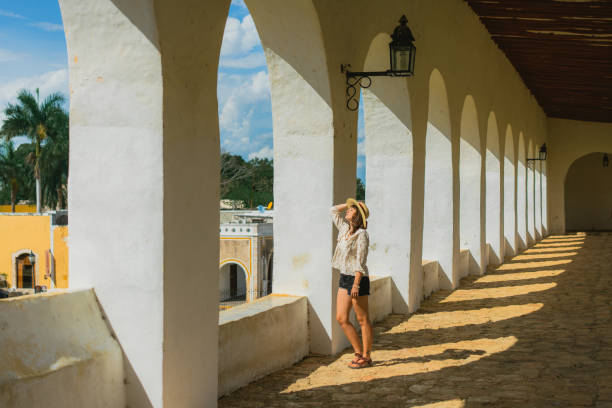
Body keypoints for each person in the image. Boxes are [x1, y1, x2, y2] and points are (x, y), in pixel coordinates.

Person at [331, 198, 372, 369]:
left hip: (358, 279)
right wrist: (350, 204)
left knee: (362, 319)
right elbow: (333, 210)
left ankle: (366, 356)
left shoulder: (361, 234)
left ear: (358, 216)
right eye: (349, 209)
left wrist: (356, 284)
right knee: (341, 318)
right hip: (344, 277)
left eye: (352, 210)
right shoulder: (344, 229)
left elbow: (360, 262)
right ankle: (358, 352)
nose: (348, 211)